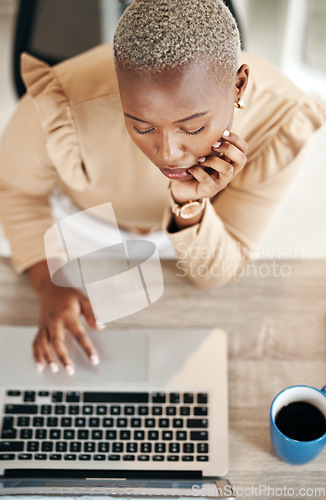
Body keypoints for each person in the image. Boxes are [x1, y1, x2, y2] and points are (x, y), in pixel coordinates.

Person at [0, 0, 325, 375]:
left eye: (192, 128)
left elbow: (215, 275)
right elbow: (15, 192)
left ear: (239, 84)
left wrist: (190, 207)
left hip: (200, 232)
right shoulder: (61, 103)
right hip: (83, 220)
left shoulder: (282, 119)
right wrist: (48, 284)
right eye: (141, 127)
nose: (168, 154)